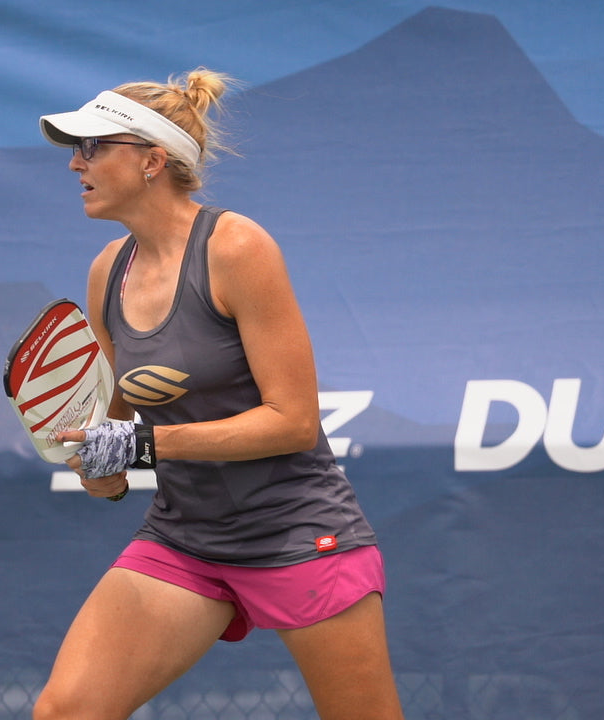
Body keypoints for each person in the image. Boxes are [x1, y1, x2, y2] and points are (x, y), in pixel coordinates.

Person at [32, 68, 405, 720]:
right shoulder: (106, 274)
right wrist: (97, 462)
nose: (74, 164)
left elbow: (291, 422)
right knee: (66, 712)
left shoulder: (236, 247)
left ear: (152, 159)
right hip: (187, 540)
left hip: (298, 532)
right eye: (75, 149)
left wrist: (144, 444)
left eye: (92, 147)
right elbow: (115, 440)